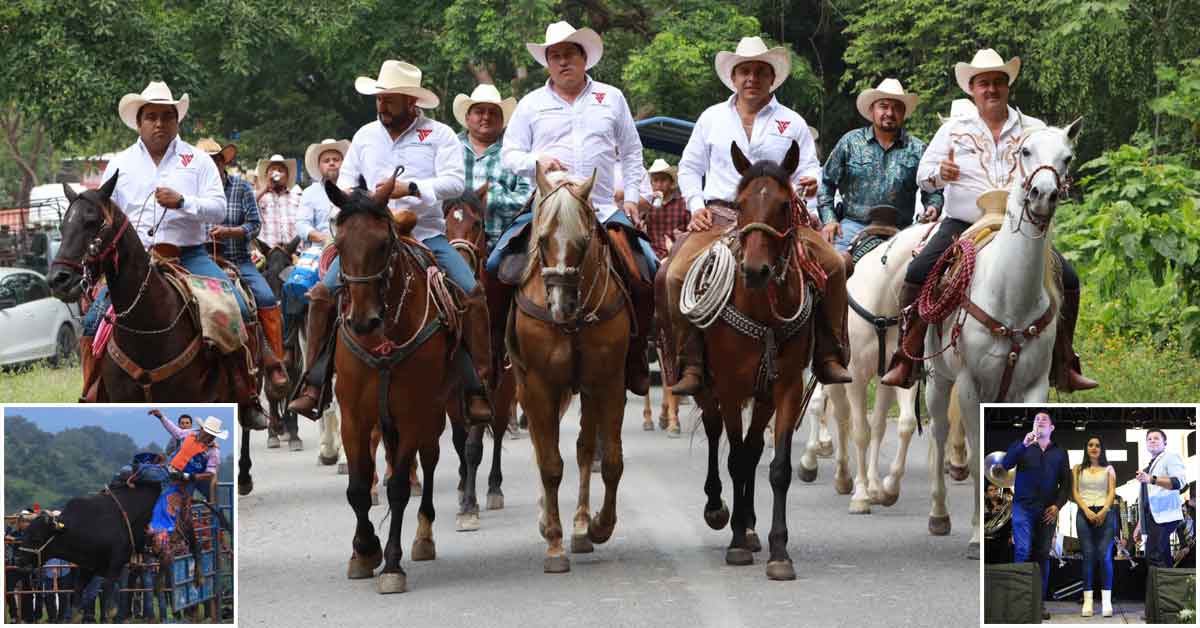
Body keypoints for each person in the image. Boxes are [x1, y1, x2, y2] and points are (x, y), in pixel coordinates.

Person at [288, 60, 493, 425]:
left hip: (426, 235)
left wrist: (410, 188)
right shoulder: (366, 135)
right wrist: (361, 199)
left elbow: (455, 184)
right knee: (322, 294)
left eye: (390, 99)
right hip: (370, 237)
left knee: (472, 292)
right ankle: (313, 382)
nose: (382, 105)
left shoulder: (439, 134)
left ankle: (477, 385)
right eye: (379, 98)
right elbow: (349, 181)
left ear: (411, 101)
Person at [881, 49, 1097, 392]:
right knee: (918, 272)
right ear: (972, 89)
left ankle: (1064, 362)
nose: (991, 89)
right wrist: (941, 173)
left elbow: (1057, 162)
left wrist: (1060, 180)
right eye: (984, 83)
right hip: (963, 223)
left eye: (998, 82)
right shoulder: (953, 128)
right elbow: (923, 175)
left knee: (1068, 279)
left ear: (1008, 87)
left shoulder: (1034, 129)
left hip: (1019, 226)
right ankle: (907, 357)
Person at [669, 35, 851, 393]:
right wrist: (696, 206)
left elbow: (808, 169)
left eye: (759, 72)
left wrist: (810, 185)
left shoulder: (792, 122)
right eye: (744, 71)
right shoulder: (711, 119)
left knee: (834, 264)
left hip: (778, 221)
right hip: (720, 215)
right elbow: (689, 169)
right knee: (672, 275)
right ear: (733, 78)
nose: (751, 78)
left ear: (772, 78)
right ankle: (689, 361)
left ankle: (828, 353)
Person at [489, 20, 659, 395]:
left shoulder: (611, 98)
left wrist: (630, 198)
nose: (563, 61)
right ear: (548, 63)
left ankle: (634, 357)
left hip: (600, 206)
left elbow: (631, 153)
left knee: (649, 270)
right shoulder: (532, 104)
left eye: (570, 54)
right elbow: (509, 155)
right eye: (555, 56)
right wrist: (537, 160)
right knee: (494, 265)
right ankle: (497, 356)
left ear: (585, 59)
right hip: (548, 206)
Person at [76, 81, 258, 416]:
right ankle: (92, 391)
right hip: (133, 263)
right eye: (151, 116)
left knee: (235, 308)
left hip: (188, 256)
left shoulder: (199, 160)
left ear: (177, 121)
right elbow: (104, 213)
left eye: (166, 116)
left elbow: (218, 208)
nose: (159, 123)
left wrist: (183, 202)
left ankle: (244, 392)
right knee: (91, 321)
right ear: (139, 122)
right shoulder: (120, 163)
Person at [197, 138, 289, 394]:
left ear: (222, 162)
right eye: (203, 162)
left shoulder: (240, 187)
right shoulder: (191, 190)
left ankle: (274, 363)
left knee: (267, 298)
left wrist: (231, 232)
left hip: (239, 259)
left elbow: (254, 224)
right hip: (199, 260)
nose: (209, 166)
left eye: (214, 160)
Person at [818, 79, 943, 250]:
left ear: (904, 112)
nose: (890, 113)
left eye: (896, 107)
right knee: (836, 268)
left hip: (902, 231)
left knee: (919, 272)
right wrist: (830, 220)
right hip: (853, 225)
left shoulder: (918, 149)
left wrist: (933, 207)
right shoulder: (850, 142)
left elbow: (933, 190)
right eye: (883, 106)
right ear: (872, 110)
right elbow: (826, 184)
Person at [996, 411, 1071, 620]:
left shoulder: (1060, 452)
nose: (1039, 422)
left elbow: (1065, 484)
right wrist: (1023, 444)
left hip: (1047, 510)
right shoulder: (1023, 445)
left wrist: (1057, 506)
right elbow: (1006, 464)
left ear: (1052, 428)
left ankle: (1038, 603)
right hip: (1023, 507)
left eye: (1044, 420)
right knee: (1022, 549)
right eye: (1036, 420)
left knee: (1042, 555)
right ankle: (1020, 603)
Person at [452, 83, 532, 250]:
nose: (486, 117)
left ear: (503, 121)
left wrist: (492, 199)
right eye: (479, 111)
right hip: (456, 238)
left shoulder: (517, 152)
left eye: (493, 112)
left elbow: (529, 198)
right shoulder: (451, 147)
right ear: (467, 118)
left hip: (505, 242)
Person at [1071, 435, 1116, 617]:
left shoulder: (1109, 469)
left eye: (1097, 445)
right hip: (1084, 513)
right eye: (1090, 445)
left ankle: (1106, 601)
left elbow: (1112, 491)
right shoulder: (1077, 468)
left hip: (1106, 514)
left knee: (1104, 557)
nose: (1094, 448)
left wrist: (1104, 510)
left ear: (1102, 449)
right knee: (1088, 556)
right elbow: (1074, 491)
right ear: (1086, 448)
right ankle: (1088, 602)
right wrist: (1086, 510)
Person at [1131, 428, 1187, 568]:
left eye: (1156, 438)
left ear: (1165, 442)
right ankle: (1165, 588)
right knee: (1162, 555)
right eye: (1149, 439)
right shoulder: (1148, 467)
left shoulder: (1170, 457)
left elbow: (1178, 482)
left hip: (1166, 515)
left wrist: (1152, 479)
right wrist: (1140, 525)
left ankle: (1162, 590)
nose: (1152, 441)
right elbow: (1146, 500)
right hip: (1153, 518)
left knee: (1154, 555)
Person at [297, 138, 351, 245]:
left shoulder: (354, 189)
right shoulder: (310, 193)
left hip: (353, 248)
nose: (331, 163)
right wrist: (324, 239)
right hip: (320, 249)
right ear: (319, 166)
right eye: (326, 161)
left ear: (344, 163)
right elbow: (301, 224)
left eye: (336, 160)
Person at [643, 158, 690, 260]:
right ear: (651, 183)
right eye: (655, 180)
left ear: (671, 182)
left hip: (676, 255)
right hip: (651, 254)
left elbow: (691, 231)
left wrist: (683, 236)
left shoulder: (683, 203)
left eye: (663, 180)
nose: (659, 184)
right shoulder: (647, 203)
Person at [254, 154, 300, 248]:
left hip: (292, 251)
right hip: (267, 252)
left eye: (280, 171)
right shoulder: (260, 196)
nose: (276, 173)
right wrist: (265, 188)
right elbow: (247, 204)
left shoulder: (297, 197)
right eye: (273, 170)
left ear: (287, 177)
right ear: (267, 176)